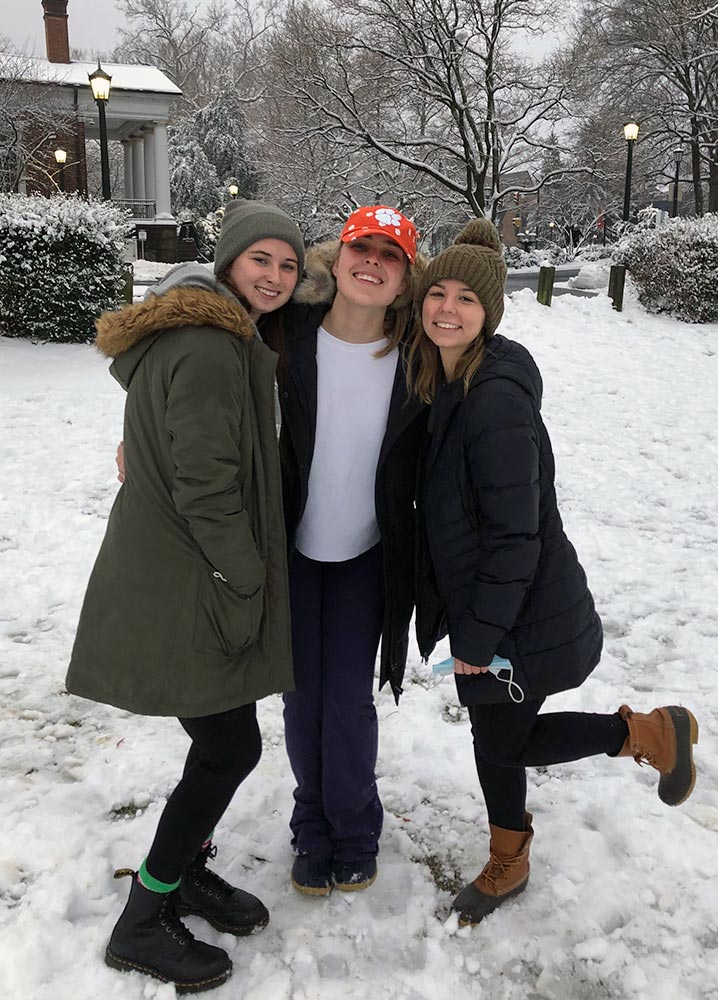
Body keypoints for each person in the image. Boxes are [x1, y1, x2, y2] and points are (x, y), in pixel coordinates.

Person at [409, 219, 699, 926]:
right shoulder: (450, 381)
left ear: (490, 313)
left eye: (465, 300)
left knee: (502, 744)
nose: (447, 308)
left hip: (522, 614)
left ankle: (649, 736)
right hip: (509, 609)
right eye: (436, 294)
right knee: (497, 739)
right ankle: (645, 739)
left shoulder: (494, 403)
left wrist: (478, 638)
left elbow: (516, 536)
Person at [68, 201, 304, 992]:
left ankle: (183, 870)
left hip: (176, 567)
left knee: (221, 742)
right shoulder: (209, 345)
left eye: (289, 265)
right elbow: (207, 483)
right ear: (230, 263)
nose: (275, 276)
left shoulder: (215, 332)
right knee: (231, 747)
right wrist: (246, 575)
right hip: (189, 575)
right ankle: (144, 917)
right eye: (261, 260)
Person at [275, 205, 427, 896]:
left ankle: (356, 826)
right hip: (292, 550)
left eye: (389, 254)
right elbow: (185, 347)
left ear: (403, 279)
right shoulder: (282, 336)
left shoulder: (422, 358)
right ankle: (312, 825)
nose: (372, 261)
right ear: (333, 261)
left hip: (369, 555)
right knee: (302, 698)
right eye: (360, 247)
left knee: (348, 701)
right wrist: (140, 427)